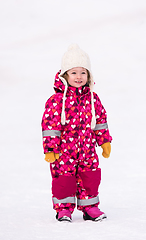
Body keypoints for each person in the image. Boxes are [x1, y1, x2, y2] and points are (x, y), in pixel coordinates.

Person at [41, 44, 112, 222]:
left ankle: (90, 208)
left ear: (88, 75)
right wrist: (51, 149)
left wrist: (104, 141)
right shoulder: (56, 101)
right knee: (64, 180)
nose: (79, 77)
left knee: (90, 177)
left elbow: (100, 121)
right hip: (64, 151)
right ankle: (63, 209)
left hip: (87, 149)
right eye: (74, 72)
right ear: (65, 75)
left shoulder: (93, 98)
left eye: (83, 72)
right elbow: (50, 125)